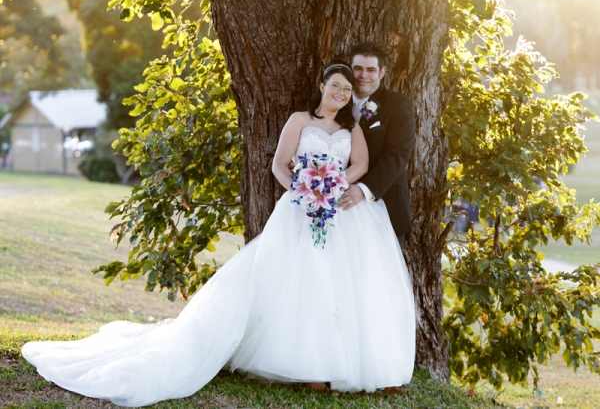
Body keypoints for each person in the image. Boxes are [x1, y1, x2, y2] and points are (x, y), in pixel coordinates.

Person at [22, 60, 415, 407]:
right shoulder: (299, 120)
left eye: (347, 89)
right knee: (298, 283)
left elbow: (361, 164)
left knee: (339, 285)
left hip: (338, 212)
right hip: (298, 210)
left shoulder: (352, 127)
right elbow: (279, 164)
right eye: (336, 87)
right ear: (322, 87)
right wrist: (302, 188)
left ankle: (338, 363)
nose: (342, 93)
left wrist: (332, 184)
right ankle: (307, 367)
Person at [339, 42, 416, 250]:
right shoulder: (335, 102)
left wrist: (363, 190)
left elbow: (397, 156)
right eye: (358, 68)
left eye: (371, 70)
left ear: (382, 72)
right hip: (338, 209)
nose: (364, 75)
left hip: (384, 208)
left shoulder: (398, 105)